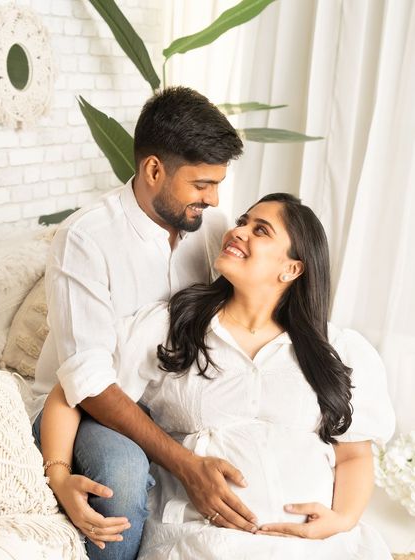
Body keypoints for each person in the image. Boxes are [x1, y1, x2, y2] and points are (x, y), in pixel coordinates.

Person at [39, 193, 395, 559]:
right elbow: (78, 387)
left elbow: (353, 454)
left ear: (292, 269)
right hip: (203, 542)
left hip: (316, 547)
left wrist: (342, 520)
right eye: (242, 222)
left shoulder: (339, 350)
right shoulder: (171, 327)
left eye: (260, 230)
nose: (238, 232)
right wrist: (59, 474)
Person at [31, 86, 260, 560]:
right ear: (154, 169)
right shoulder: (86, 239)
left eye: (218, 184)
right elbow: (88, 384)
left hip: (171, 393)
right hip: (87, 407)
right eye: (201, 185)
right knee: (123, 480)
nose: (214, 200)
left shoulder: (212, 234)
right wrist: (183, 463)